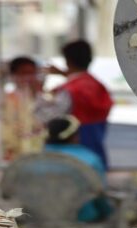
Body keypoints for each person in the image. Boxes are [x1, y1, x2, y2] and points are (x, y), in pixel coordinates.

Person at [0, 56, 49, 176]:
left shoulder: (46, 100)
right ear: (13, 76)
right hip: (11, 161)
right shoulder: (3, 101)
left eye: (32, 73)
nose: (28, 78)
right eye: (23, 73)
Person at [48, 40, 113, 170]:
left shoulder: (69, 90)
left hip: (72, 155)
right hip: (96, 151)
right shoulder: (97, 85)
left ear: (67, 61)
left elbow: (51, 116)